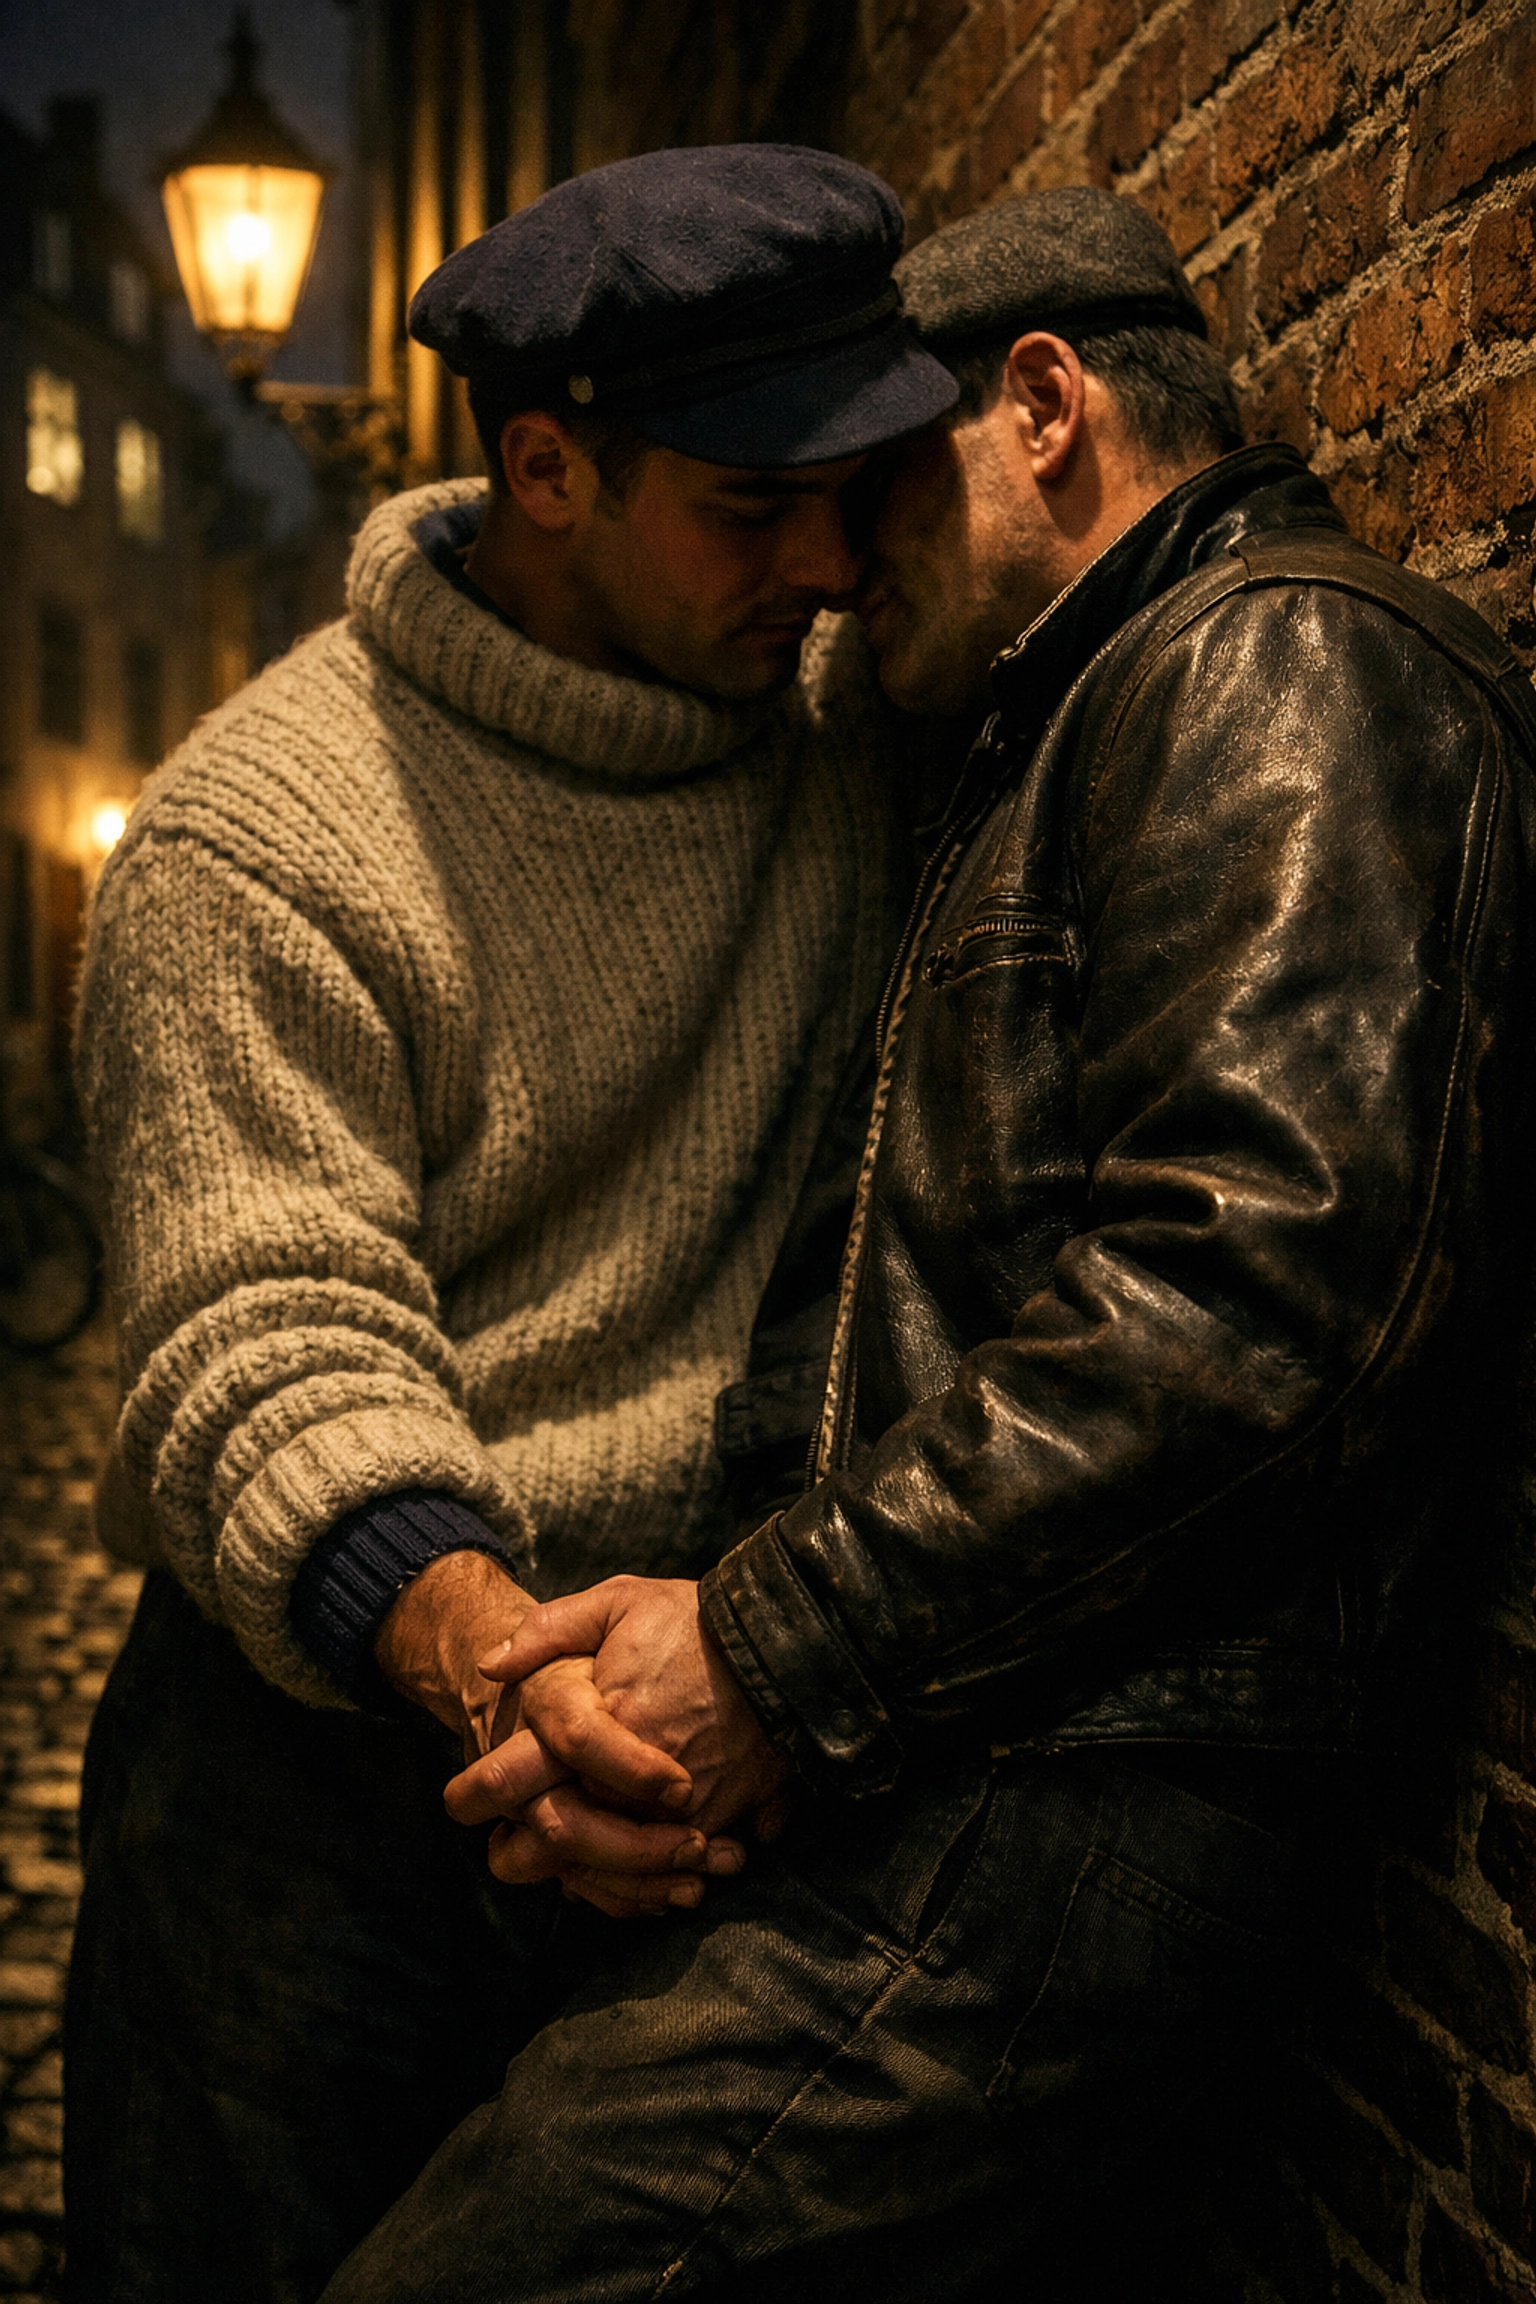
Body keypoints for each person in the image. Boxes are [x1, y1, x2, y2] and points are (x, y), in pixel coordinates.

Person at [320, 188, 1536, 2300]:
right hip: (951, 1739)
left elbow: (1266, 1290)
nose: (824, 566)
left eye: (874, 487)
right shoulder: (1039, 722)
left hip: (1057, 1799)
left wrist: (769, 1654)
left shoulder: (1273, 659)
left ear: (1044, 409)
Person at [64, 144, 962, 2301]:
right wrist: (500, 1673)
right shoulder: (261, 841)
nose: (834, 563)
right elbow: (264, 1326)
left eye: (862, 491)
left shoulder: (846, 730)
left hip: (704, 1742)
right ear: (544, 471)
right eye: (756, 508)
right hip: (329, 1786)